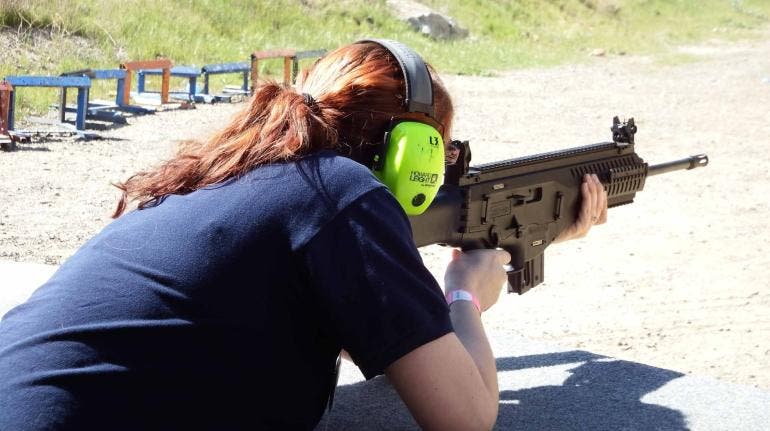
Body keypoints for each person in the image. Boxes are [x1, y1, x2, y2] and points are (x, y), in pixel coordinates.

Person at [0, 40, 607, 430]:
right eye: (442, 153)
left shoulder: (226, 179)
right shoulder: (340, 192)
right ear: (412, 152)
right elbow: (465, 417)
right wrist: (464, 295)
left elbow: (347, 333)